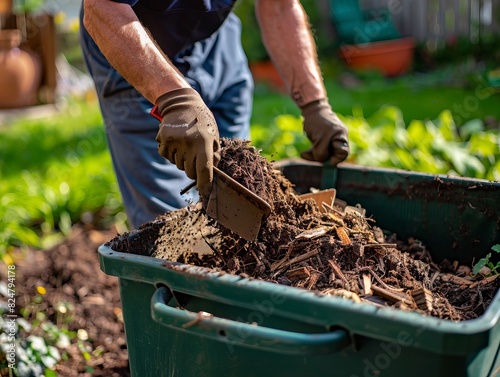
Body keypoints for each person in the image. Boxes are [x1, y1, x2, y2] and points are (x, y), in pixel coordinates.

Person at [80, 0, 349, 229]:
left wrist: (315, 105)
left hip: (214, 37)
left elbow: (279, 6)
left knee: (239, 189)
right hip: (130, 40)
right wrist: (174, 99)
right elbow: (102, 6)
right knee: (171, 225)